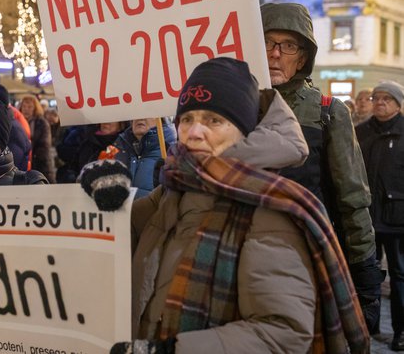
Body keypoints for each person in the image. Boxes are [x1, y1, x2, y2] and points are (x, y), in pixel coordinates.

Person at [81, 57, 368, 353]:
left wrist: (174, 350)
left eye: (213, 120)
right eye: (187, 119)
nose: (194, 132)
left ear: (243, 131)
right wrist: (103, 190)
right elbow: (113, 233)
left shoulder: (269, 210)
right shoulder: (177, 187)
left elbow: (283, 332)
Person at [261, 2, 382, 332]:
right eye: (268, 42)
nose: (275, 53)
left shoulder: (329, 113)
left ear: (302, 57)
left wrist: (365, 277)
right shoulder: (236, 107)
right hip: (245, 261)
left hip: (308, 261)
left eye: (288, 45)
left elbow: (352, 200)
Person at [355, 80, 404, 351]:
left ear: (398, 104)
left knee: (400, 276)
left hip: (398, 219)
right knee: (367, 275)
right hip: (366, 218)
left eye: (387, 98)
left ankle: (401, 331)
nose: (380, 102)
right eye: (377, 98)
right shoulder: (360, 132)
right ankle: (367, 328)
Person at [113, 118, 176, 199]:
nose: (140, 118)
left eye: (147, 113)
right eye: (136, 113)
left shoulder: (171, 152)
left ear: (161, 119)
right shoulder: (116, 149)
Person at [20, 94, 55, 182]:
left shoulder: (42, 123)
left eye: (30, 107)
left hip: (39, 163)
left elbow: (45, 145)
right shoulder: (18, 122)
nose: (26, 109)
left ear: (35, 108)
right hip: (22, 163)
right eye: (24, 106)